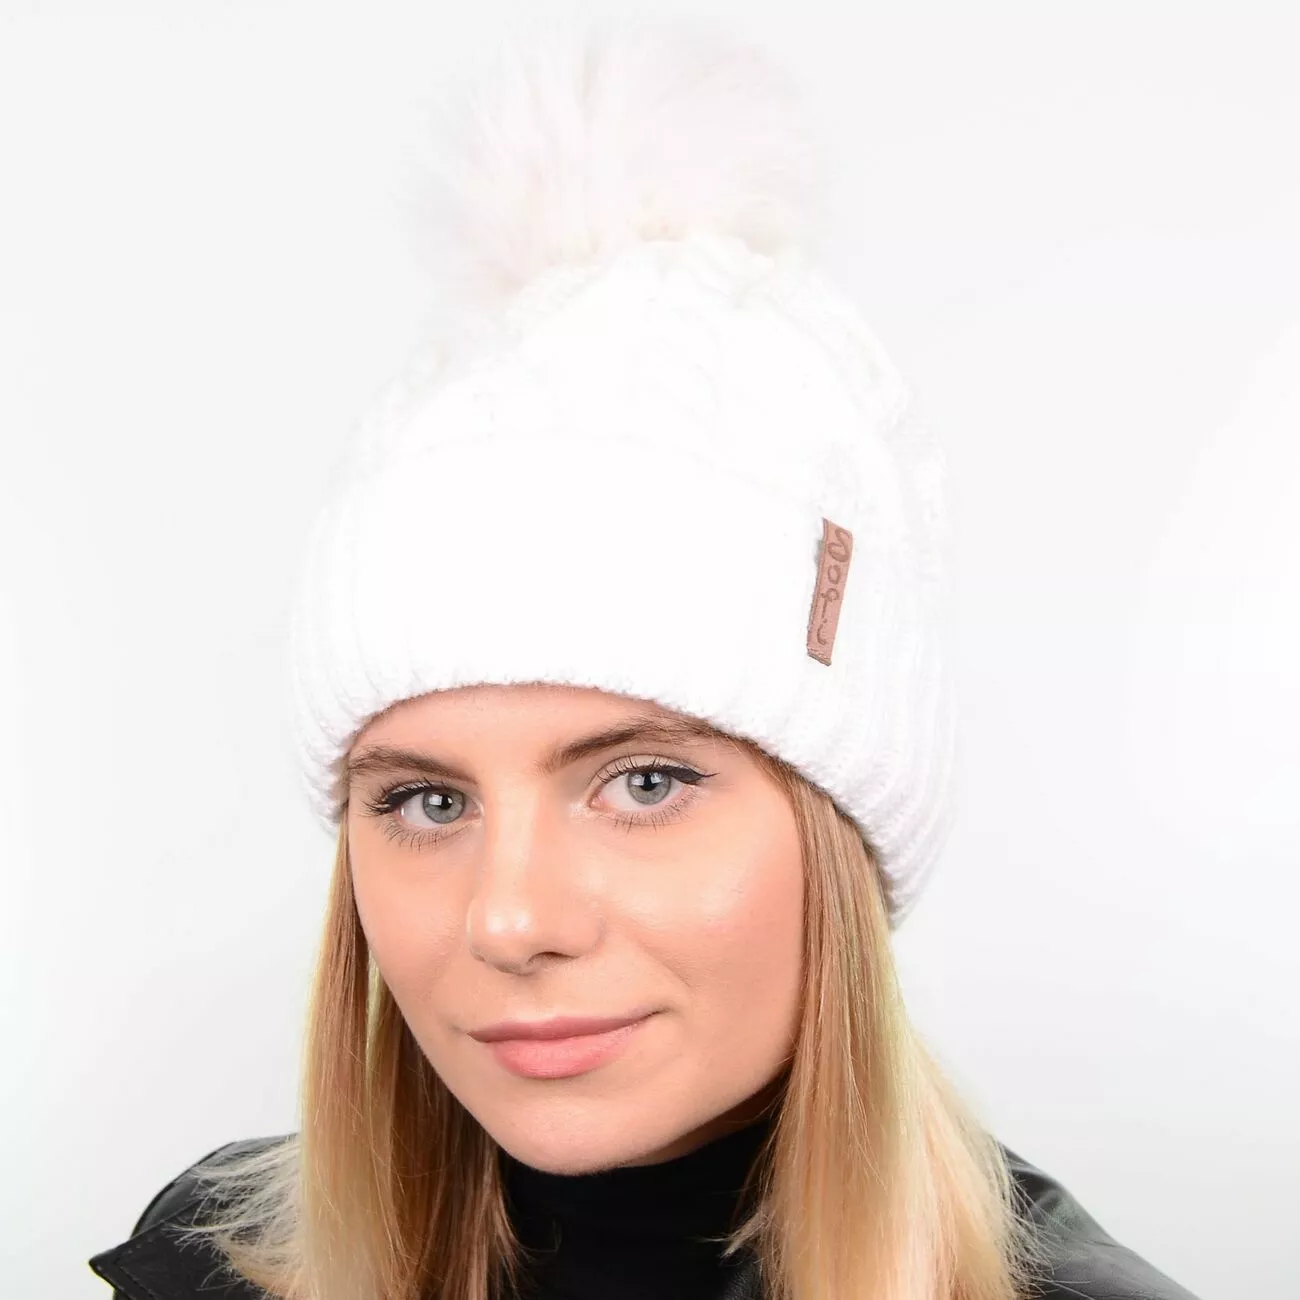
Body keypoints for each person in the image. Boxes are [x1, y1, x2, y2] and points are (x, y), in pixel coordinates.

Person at [87, 17, 1202, 1300]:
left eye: (645, 781)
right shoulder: (221, 1263)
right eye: (427, 800)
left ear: (842, 832)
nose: (511, 920)